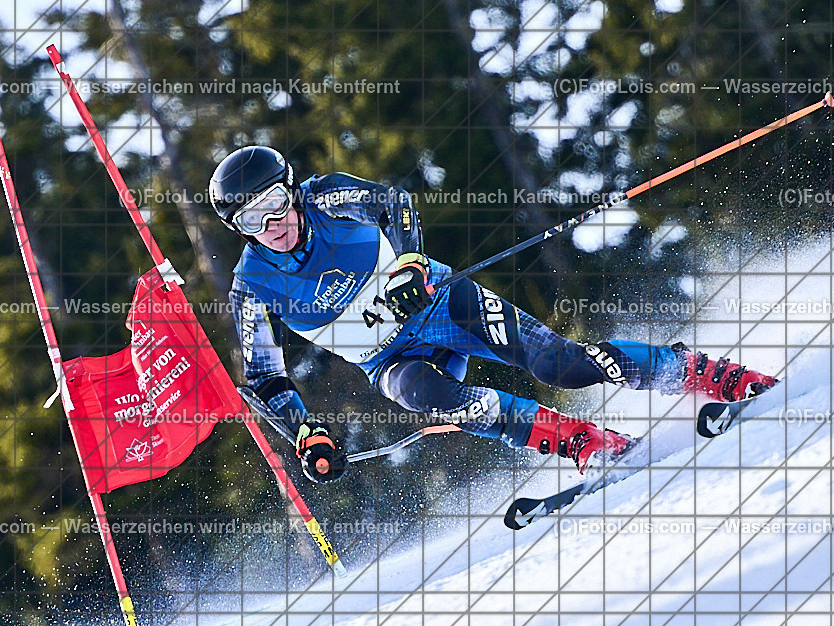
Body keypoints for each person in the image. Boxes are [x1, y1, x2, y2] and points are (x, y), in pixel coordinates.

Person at [210, 146, 778, 484]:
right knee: (425, 396)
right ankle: (581, 439)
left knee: (561, 366)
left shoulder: (325, 197)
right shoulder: (252, 285)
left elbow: (394, 203)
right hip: (390, 357)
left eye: (276, 205)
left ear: (291, 189)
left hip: (440, 305)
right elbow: (264, 377)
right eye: (254, 222)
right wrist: (306, 431)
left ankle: (697, 373)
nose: (275, 226)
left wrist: (409, 262)